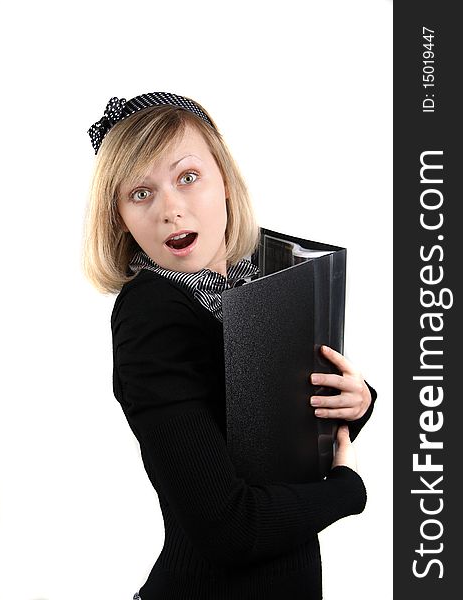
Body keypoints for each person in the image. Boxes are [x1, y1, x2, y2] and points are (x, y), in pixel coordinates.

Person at [82, 91, 377, 600]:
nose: (170, 210)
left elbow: (271, 436)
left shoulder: (263, 274)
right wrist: (345, 494)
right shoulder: (151, 316)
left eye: (187, 177)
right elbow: (229, 528)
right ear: (120, 220)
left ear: (224, 179)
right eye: (140, 193)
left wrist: (356, 400)